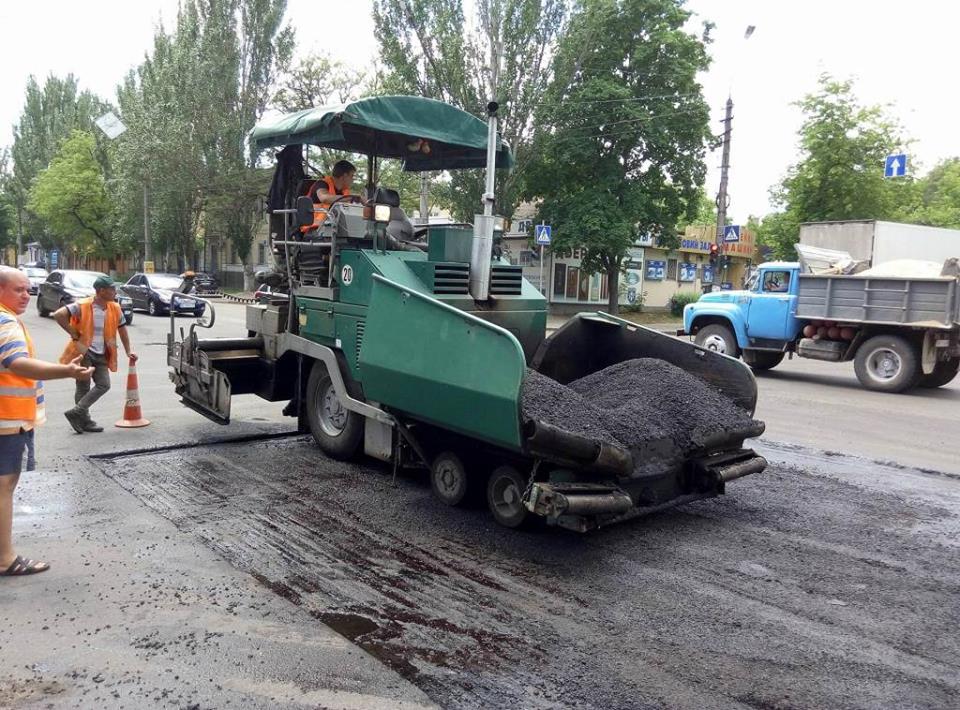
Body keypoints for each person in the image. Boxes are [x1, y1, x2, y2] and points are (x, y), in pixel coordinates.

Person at [0, 266, 93, 577]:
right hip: (6, 419)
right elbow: (17, 363)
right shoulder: (6, 323)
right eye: (19, 290)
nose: (28, 295)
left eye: (28, 289)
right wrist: (66, 370)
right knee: (4, 486)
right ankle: (4, 558)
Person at [53, 276, 138, 434]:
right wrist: (73, 333)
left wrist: (128, 350)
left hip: (103, 352)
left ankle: (76, 412)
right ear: (101, 291)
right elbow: (58, 315)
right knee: (83, 386)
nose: (114, 292)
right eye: (112, 289)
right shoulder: (83, 305)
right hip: (84, 352)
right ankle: (85, 421)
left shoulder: (114, 307)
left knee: (103, 384)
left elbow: (122, 329)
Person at [301, 159, 359, 233]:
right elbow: (324, 198)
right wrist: (351, 198)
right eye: (352, 176)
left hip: (334, 229)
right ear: (344, 176)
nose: (353, 179)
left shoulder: (345, 192)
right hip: (314, 229)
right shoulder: (321, 184)